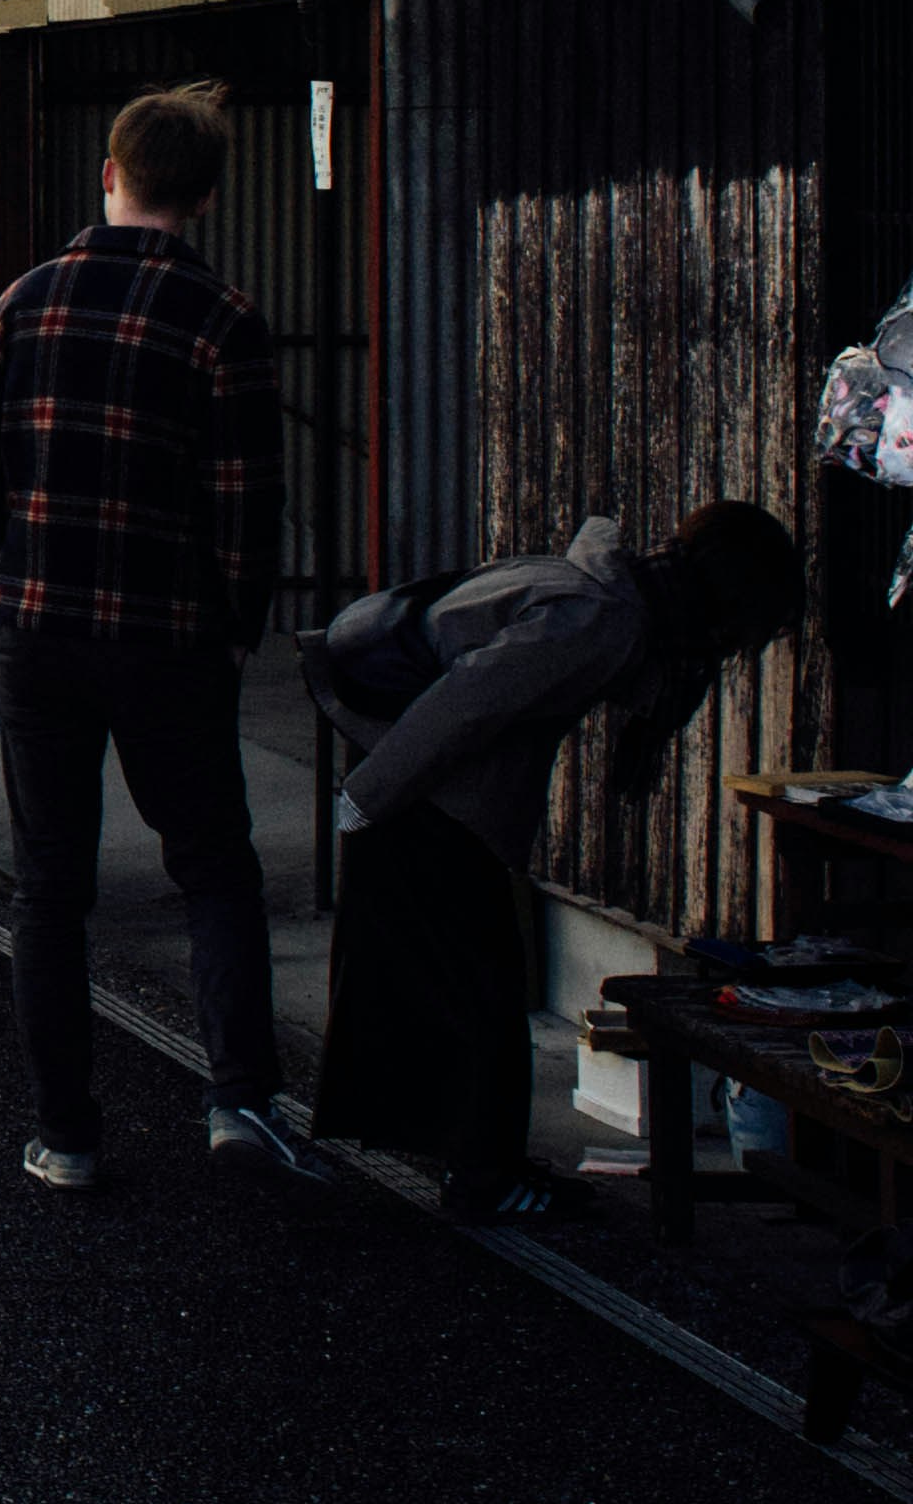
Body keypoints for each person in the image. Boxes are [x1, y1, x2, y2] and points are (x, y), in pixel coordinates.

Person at [0, 80, 313, 1198]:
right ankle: (238, 1101)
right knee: (211, 865)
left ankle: (66, 1135)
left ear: (109, 175)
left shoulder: (26, 301)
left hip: (40, 631)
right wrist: (235, 622)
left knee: (48, 888)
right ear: (202, 196)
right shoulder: (221, 320)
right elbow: (248, 501)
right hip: (170, 638)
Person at [306, 501, 805, 1226]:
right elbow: (466, 706)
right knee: (481, 984)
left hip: (425, 776)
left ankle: (476, 1160)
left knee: (450, 974)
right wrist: (370, 798)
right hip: (425, 784)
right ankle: (483, 1174)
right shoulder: (600, 622)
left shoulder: (614, 595)